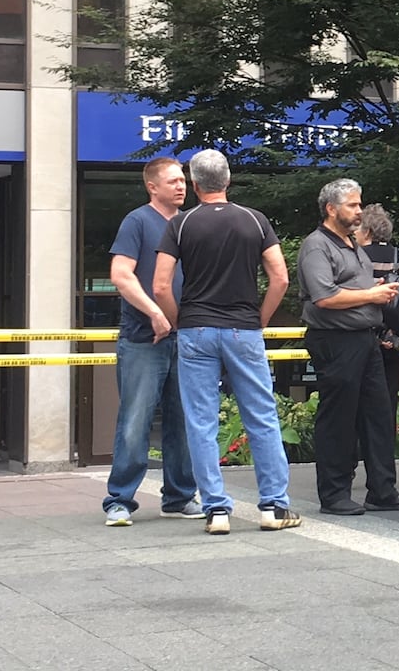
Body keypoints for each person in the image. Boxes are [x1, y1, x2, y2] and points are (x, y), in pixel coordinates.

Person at [151, 149, 301, 536]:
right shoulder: (255, 220)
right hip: (243, 329)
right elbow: (280, 278)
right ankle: (273, 506)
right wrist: (260, 318)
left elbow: (161, 285)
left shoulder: (181, 225)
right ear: (228, 180)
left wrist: (180, 321)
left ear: (195, 184)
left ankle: (216, 510)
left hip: (196, 330)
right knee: (261, 416)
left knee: (200, 421)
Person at [298, 181, 399, 517]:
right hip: (336, 340)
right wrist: (370, 296)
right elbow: (324, 297)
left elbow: (354, 286)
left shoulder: (352, 244)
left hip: (365, 338)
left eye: (359, 205)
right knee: (339, 417)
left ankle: (383, 490)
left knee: (379, 414)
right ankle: (334, 493)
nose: (358, 211)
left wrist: (377, 287)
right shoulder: (316, 246)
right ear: (331, 209)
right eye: (352, 205)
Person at [101, 157, 199, 526]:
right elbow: (120, 275)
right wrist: (156, 312)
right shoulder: (138, 221)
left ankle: (179, 496)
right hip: (144, 337)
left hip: (186, 337)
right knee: (135, 420)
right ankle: (119, 500)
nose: (181, 186)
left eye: (183, 180)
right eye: (172, 181)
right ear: (152, 186)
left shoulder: (190, 223)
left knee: (184, 420)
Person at [356, 203, 399, 421]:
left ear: (366, 231)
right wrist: (397, 334)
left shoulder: (356, 256)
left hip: (361, 339)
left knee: (359, 402)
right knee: (387, 400)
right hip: (393, 343)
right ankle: (385, 451)